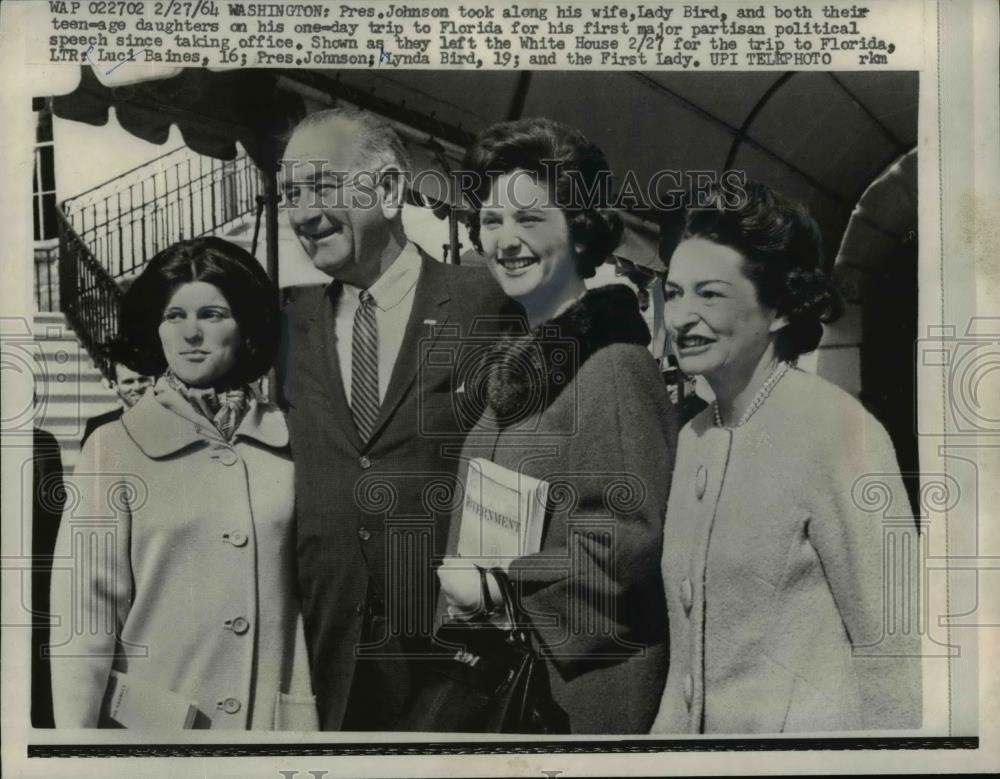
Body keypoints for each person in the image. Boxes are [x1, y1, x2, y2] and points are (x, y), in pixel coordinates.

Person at [434, 117, 677, 734]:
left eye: (531, 219)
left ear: (581, 230)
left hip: (582, 705)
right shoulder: (524, 363)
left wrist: (496, 589)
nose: (506, 240)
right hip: (514, 684)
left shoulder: (613, 365)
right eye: (491, 221)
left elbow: (623, 553)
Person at [650, 182, 921, 733]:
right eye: (674, 293)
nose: (681, 317)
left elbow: (897, 648)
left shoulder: (838, 432)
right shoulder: (694, 435)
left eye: (710, 293)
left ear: (776, 308)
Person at [277, 106, 506, 730]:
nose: (302, 213)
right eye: (290, 194)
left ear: (388, 189)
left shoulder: (486, 303)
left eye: (322, 186)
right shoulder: (286, 325)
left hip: (451, 647)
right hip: (329, 649)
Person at [50, 237, 316, 730]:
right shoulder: (113, 447)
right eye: (174, 316)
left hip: (275, 731)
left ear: (247, 327)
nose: (191, 333)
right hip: (153, 735)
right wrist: (77, 750)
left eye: (213, 314)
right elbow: (83, 623)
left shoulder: (294, 441)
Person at [81, 340, 154, 446]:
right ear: (115, 386)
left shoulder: (170, 420)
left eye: (143, 380)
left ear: (152, 380)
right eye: (128, 382)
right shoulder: (98, 426)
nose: (137, 387)